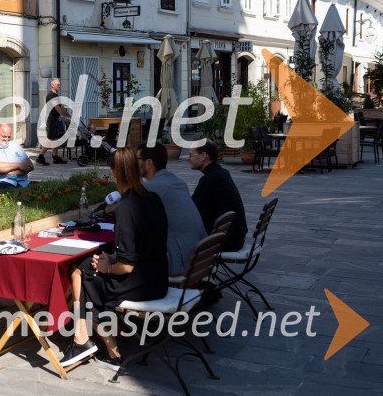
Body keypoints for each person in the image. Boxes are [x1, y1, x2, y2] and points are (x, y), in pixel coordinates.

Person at [61, 147, 169, 370]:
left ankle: (91, 343)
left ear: (115, 173)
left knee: (81, 273)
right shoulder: (153, 198)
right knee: (86, 267)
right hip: (158, 276)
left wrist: (108, 267)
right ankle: (98, 345)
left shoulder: (127, 207)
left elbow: (127, 266)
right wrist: (110, 257)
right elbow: (144, 246)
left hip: (142, 283)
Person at [136, 143, 207, 276]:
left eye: (137, 159)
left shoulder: (152, 189)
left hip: (180, 261)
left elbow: (135, 224)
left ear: (149, 163)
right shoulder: (177, 181)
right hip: (200, 256)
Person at [189, 141, 248, 252]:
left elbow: (191, 210)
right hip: (236, 237)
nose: (189, 158)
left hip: (226, 240)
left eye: (191, 155)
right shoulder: (221, 172)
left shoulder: (209, 179)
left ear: (203, 156)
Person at [0, 123, 34, 192]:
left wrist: (13, 173)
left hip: (23, 183)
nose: (6, 139)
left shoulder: (15, 146)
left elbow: (30, 166)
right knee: (12, 192)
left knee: (45, 188)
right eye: (4, 136)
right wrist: (19, 165)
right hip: (1, 183)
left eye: (9, 137)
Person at [36, 78, 70, 165]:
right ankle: (40, 157)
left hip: (55, 119)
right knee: (50, 139)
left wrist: (68, 115)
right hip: (51, 119)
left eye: (59, 84)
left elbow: (61, 107)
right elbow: (57, 108)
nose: (59, 86)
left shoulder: (56, 95)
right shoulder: (51, 95)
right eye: (58, 85)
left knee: (55, 139)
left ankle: (55, 157)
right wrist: (65, 115)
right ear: (53, 85)